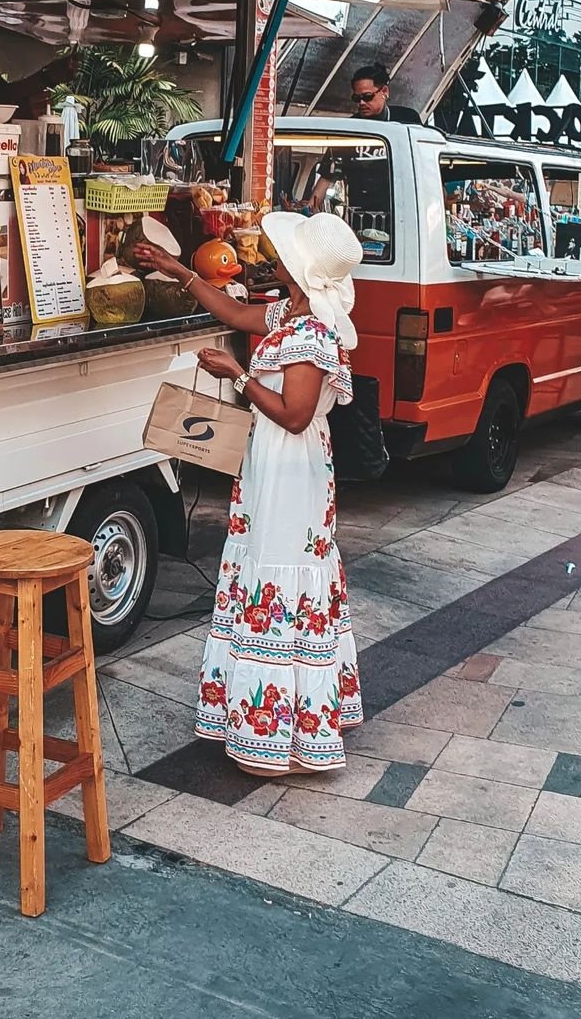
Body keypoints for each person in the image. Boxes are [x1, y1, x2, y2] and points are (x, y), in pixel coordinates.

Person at [136, 212, 364, 776]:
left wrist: (238, 375)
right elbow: (237, 312)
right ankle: (276, 727)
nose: (273, 257)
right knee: (267, 567)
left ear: (300, 269)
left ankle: (286, 739)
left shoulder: (311, 336)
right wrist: (177, 270)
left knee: (279, 571)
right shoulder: (293, 314)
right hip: (273, 465)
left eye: (284, 255)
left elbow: (294, 414)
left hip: (293, 470)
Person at [306, 63, 421, 210]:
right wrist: (309, 209)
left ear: (384, 91)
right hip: (360, 215)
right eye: (356, 98)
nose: (361, 103)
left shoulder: (407, 119)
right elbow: (326, 176)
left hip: (403, 212)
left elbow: (425, 168)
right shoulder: (349, 129)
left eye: (367, 97)